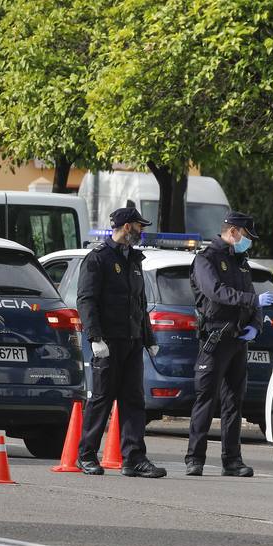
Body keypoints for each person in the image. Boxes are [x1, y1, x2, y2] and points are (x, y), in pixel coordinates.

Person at [75, 201, 165, 478]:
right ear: (127, 227)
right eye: (139, 226)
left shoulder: (134, 260)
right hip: (108, 341)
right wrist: (95, 337)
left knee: (134, 400)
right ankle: (86, 454)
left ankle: (134, 458)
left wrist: (148, 337)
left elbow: (139, 303)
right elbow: (86, 300)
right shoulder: (98, 259)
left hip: (132, 340)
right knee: (101, 398)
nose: (141, 231)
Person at [186, 211, 272, 477]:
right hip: (215, 337)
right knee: (206, 399)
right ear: (233, 231)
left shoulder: (241, 262)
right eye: (246, 236)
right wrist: (252, 301)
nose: (248, 242)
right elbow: (215, 292)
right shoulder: (206, 259)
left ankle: (232, 460)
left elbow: (252, 296)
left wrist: (255, 326)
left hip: (237, 341)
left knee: (235, 402)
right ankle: (195, 459)